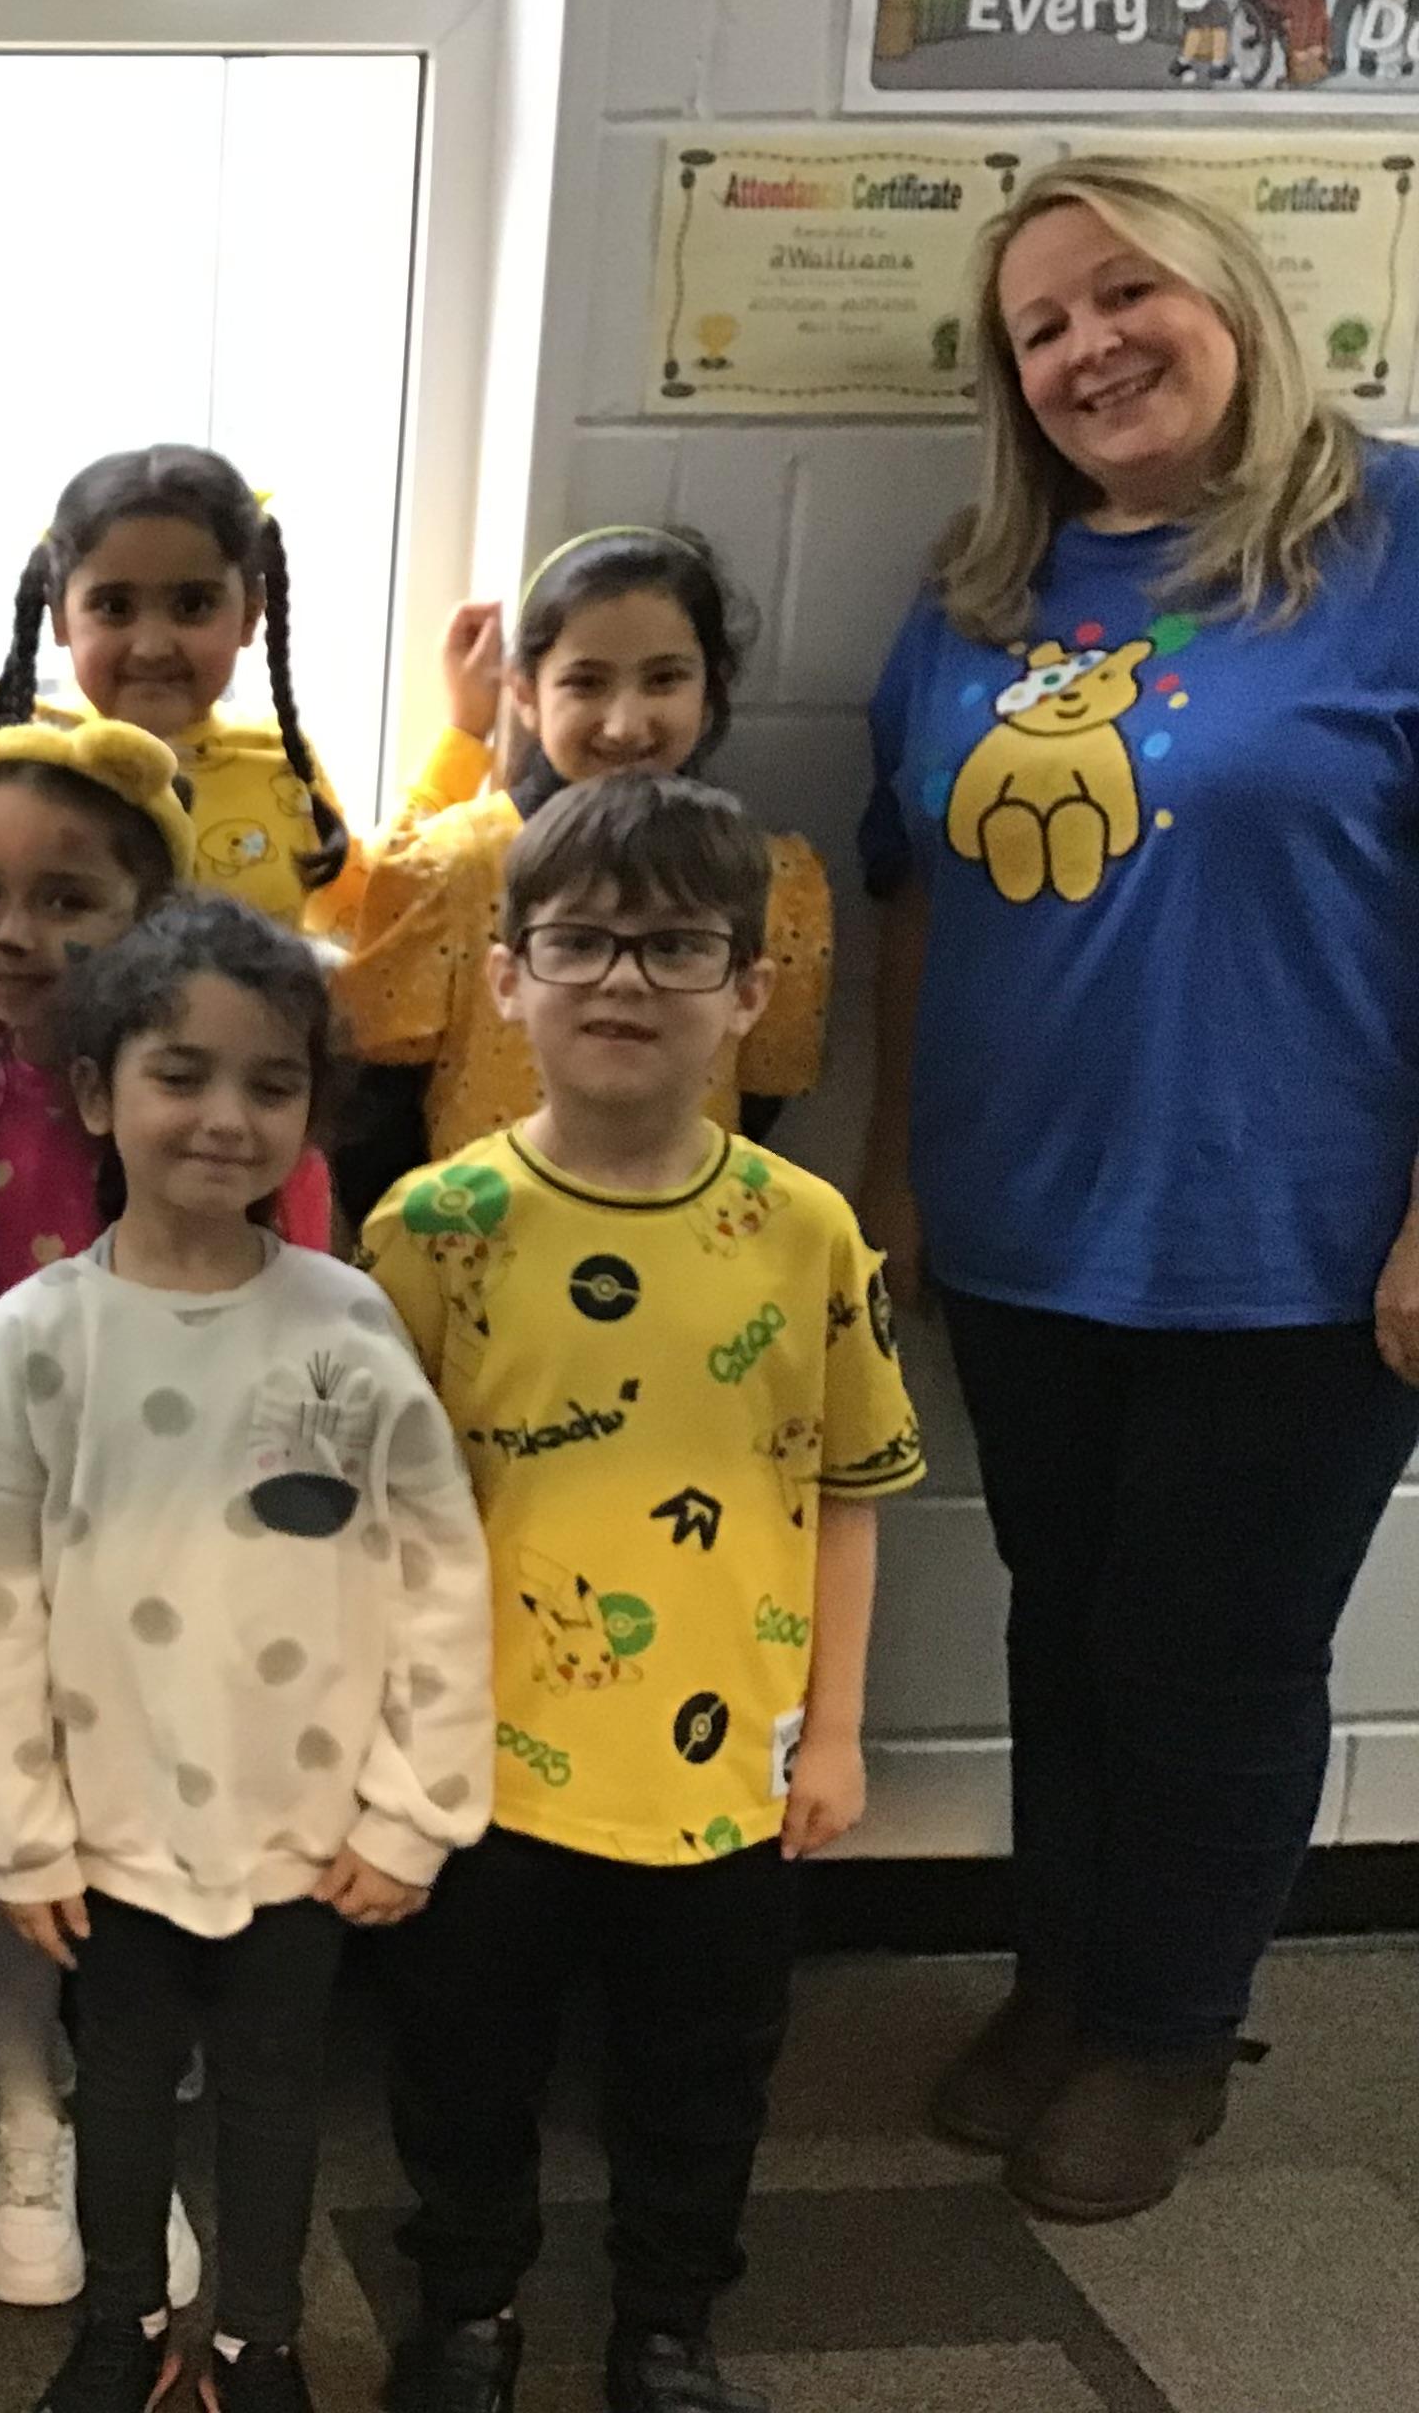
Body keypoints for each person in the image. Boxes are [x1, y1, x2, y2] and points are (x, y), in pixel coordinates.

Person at [859, 160, 1419, 2222]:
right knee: (1063, 1620)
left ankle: (1167, 2035)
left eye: (1122, 294)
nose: (1087, 347)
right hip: (1027, 1218)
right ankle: (1061, 1984)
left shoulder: (1393, 542)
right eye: (1040, 328)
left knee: (1215, 1651)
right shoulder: (976, 592)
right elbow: (912, 895)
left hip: (1296, 1238)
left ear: (1229, 296)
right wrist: (894, 1173)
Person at [361, 779, 925, 2413]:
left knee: (703, 2075)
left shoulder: (801, 1231)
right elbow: (372, 1522)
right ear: (505, 977)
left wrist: (835, 1733)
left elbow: (845, 1493)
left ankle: (668, 2321)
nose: (623, 979)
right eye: (581, 943)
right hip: (478, 1766)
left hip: (721, 1771)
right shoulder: (435, 1226)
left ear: (748, 991)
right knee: (460, 2065)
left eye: (674, 947)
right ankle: (465, 2307)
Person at [0, 894, 494, 2413]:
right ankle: (119, 2324)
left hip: (303, 1817)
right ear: (97, 1091)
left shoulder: (346, 1323)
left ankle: (257, 2337)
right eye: (181, 1074)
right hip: (108, 1818)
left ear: (314, 1111)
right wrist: (19, 1828)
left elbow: (439, 1575)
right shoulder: (37, 1337)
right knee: (119, 2089)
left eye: (272, 1083)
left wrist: (413, 1810)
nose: (226, 1117)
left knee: (270, 2095)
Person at [0, 710, 341, 2315]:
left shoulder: (230, 1130)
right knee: (13, 1827)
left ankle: (123, 2110)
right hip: (1, 1559)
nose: (15, 933)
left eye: (67, 899)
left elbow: (304, 1352)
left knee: (144, 1829)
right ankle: (30, 2107)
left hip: (189, 1566)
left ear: (147, 915)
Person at [335, 529, 828, 1228]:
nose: (625, 725)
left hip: (682, 1249)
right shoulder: (456, 868)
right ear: (525, 693)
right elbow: (375, 1114)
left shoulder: (770, 882)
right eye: (586, 682)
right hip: (474, 1250)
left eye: (664, 679)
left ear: (711, 687)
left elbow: (760, 1099)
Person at [0, 445, 353, 935]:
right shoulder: (12, 752)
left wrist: (455, 746)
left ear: (250, 614)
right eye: (114, 607)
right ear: (59, 617)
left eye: (193, 605)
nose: (153, 647)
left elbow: (376, 918)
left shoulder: (285, 764)